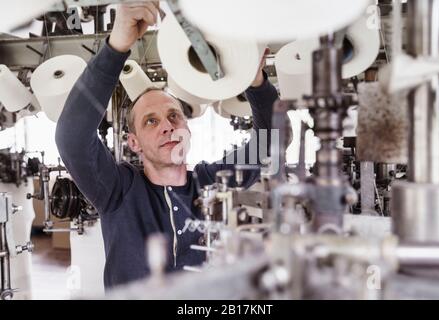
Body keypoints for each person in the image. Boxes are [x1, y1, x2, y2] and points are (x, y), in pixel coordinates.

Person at [55, 1, 278, 289]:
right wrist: (116, 47)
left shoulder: (211, 182)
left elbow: (270, 142)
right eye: (151, 121)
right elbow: (72, 137)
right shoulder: (117, 190)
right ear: (133, 143)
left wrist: (255, 81)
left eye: (174, 116)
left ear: (187, 128)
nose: (167, 125)